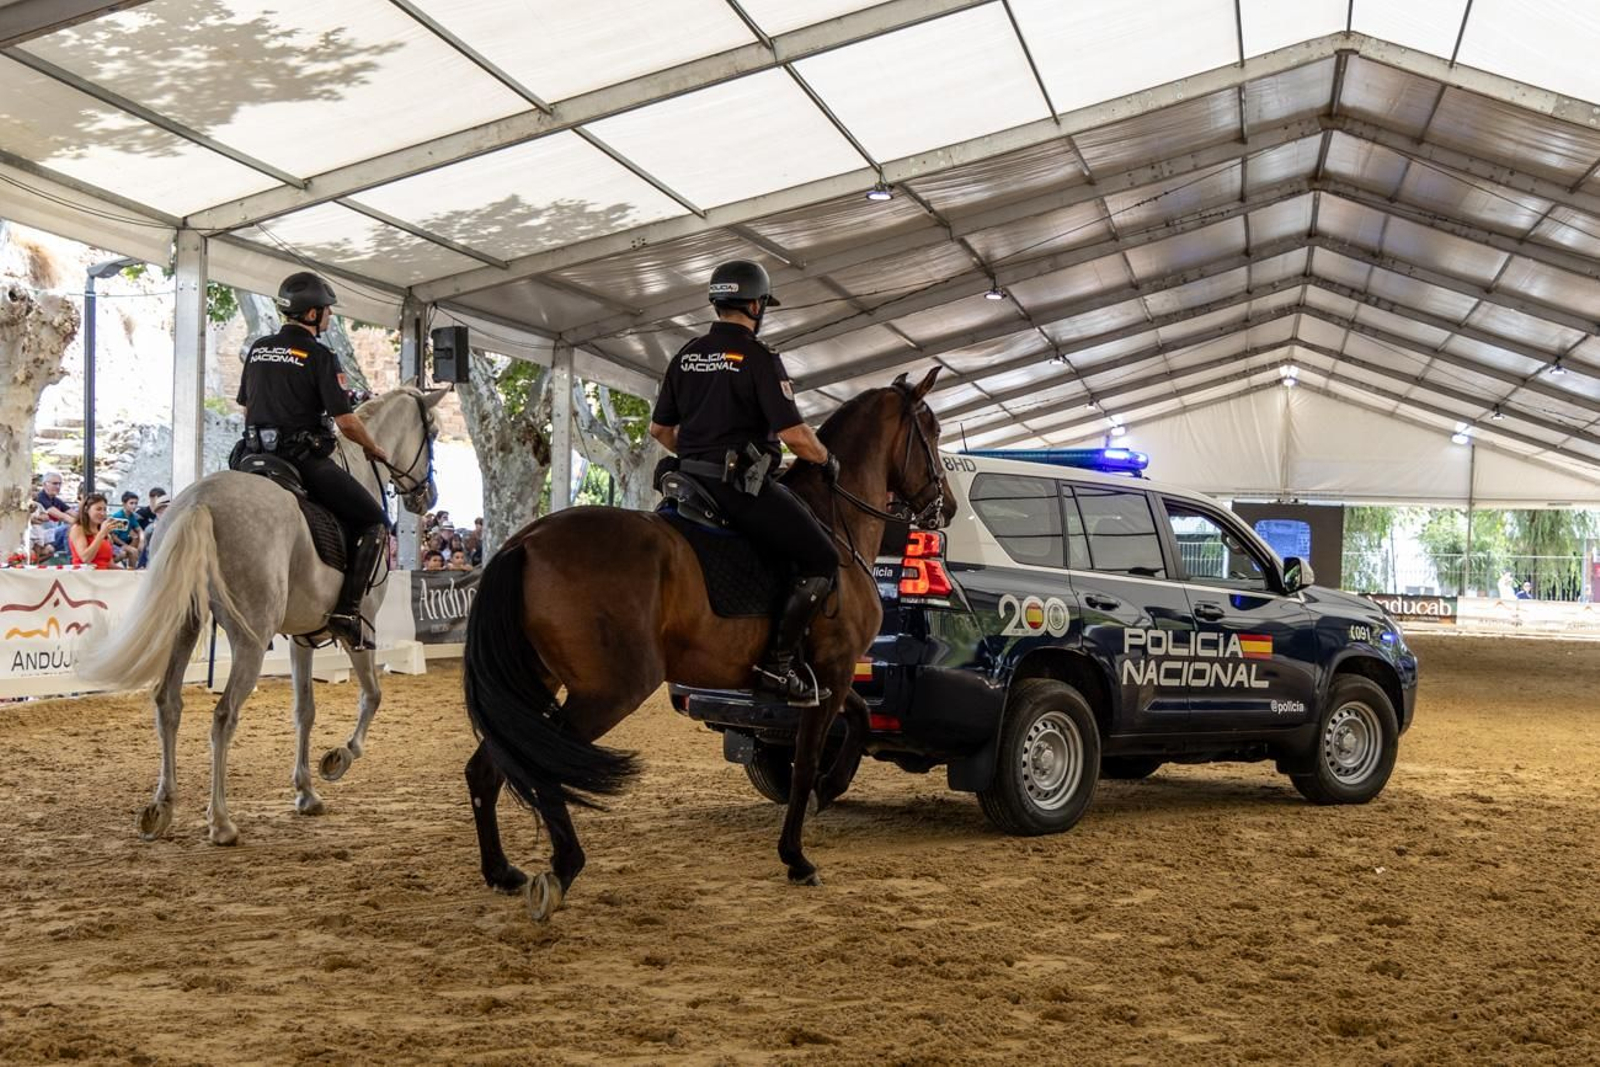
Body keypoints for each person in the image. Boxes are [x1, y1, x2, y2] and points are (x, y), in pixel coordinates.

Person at [648, 259, 839, 705]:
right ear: (755, 305)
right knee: (821, 559)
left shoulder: (687, 354)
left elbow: (660, 432)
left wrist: (699, 452)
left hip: (687, 484)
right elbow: (795, 437)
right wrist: (826, 458)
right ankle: (778, 666)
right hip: (736, 489)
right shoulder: (759, 358)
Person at [234, 272, 390, 649]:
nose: (330, 317)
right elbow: (346, 421)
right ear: (312, 314)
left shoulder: (258, 349)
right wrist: (374, 448)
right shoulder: (319, 355)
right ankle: (348, 612)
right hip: (299, 458)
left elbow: (246, 408)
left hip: (251, 456)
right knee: (374, 521)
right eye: (327, 311)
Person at [69, 493, 121, 570]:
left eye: (104, 509)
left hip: (103, 576)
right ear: (86, 509)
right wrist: (101, 534)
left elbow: (109, 564)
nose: (103, 513)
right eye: (98, 509)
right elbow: (86, 558)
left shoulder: (105, 534)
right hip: (84, 577)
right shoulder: (78, 528)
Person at [109, 491, 143, 567]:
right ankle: (131, 570)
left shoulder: (132, 516)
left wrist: (142, 541)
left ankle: (131, 569)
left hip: (125, 542)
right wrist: (127, 546)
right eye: (131, 503)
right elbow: (114, 537)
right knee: (133, 551)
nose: (134, 506)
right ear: (124, 504)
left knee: (136, 540)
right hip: (116, 545)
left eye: (136, 503)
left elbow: (139, 530)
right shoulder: (118, 516)